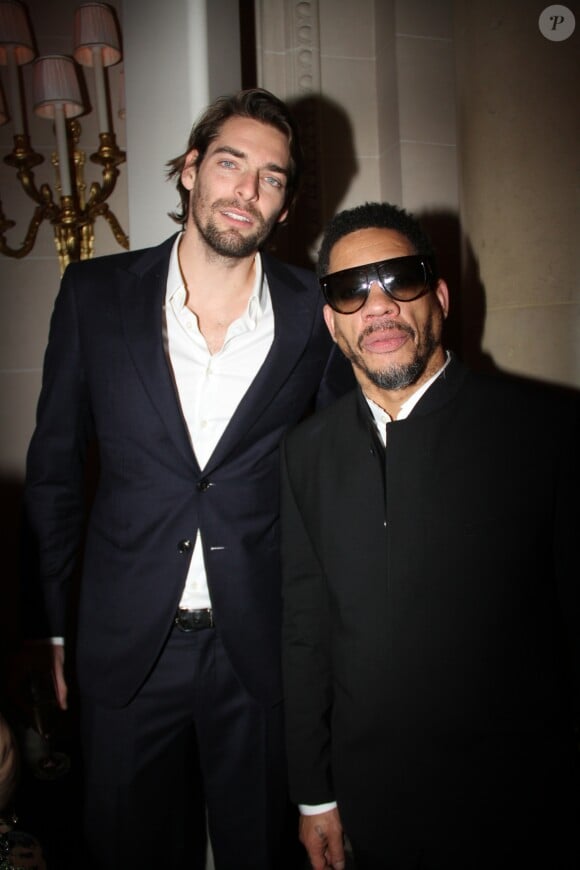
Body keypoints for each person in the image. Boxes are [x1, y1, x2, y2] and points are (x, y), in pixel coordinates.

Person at [21, 88, 351, 870]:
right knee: (125, 848)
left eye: (271, 178)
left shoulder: (313, 313)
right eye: (231, 165)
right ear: (191, 171)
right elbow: (54, 470)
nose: (247, 190)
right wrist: (54, 624)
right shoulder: (94, 296)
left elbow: (338, 479)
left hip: (260, 648)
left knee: (257, 851)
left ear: (286, 202)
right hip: (127, 643)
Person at [280, 201, 580, 869]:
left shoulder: (548, 434)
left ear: (438, 296)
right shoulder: (304, 454)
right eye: (350, 291)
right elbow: (305, 633)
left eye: (400, 279)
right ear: (330, 321)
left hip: (527, 807)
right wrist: (312, 795)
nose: (377, 305)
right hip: (372, 812)